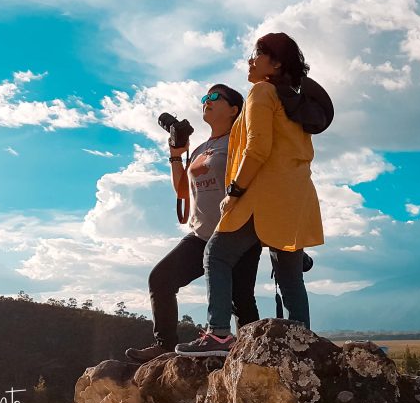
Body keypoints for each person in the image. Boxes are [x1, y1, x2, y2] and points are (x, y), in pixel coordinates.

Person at [176, 32, 324, 357]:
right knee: (289, 274)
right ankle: (302, 344)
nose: (250, 60)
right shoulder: (294, 102)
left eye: (257, 54)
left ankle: (217, 335)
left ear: (275, 63)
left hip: (263, 196)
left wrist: (235, 190)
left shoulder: (261, 92)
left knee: (216, 255)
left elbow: (257, 148)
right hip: (295, 198)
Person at [124, 84, 261, 364]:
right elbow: (182, 191)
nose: (206, 102)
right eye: (204, 98)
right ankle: (164, 345)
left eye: (214, 97)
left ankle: (254, 354)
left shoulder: (237, 143)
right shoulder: (201, 148)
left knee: (241, 299)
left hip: (236, 230)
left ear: (234, 109)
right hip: (201, 234)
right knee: (160, 279)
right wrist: (176, 153)